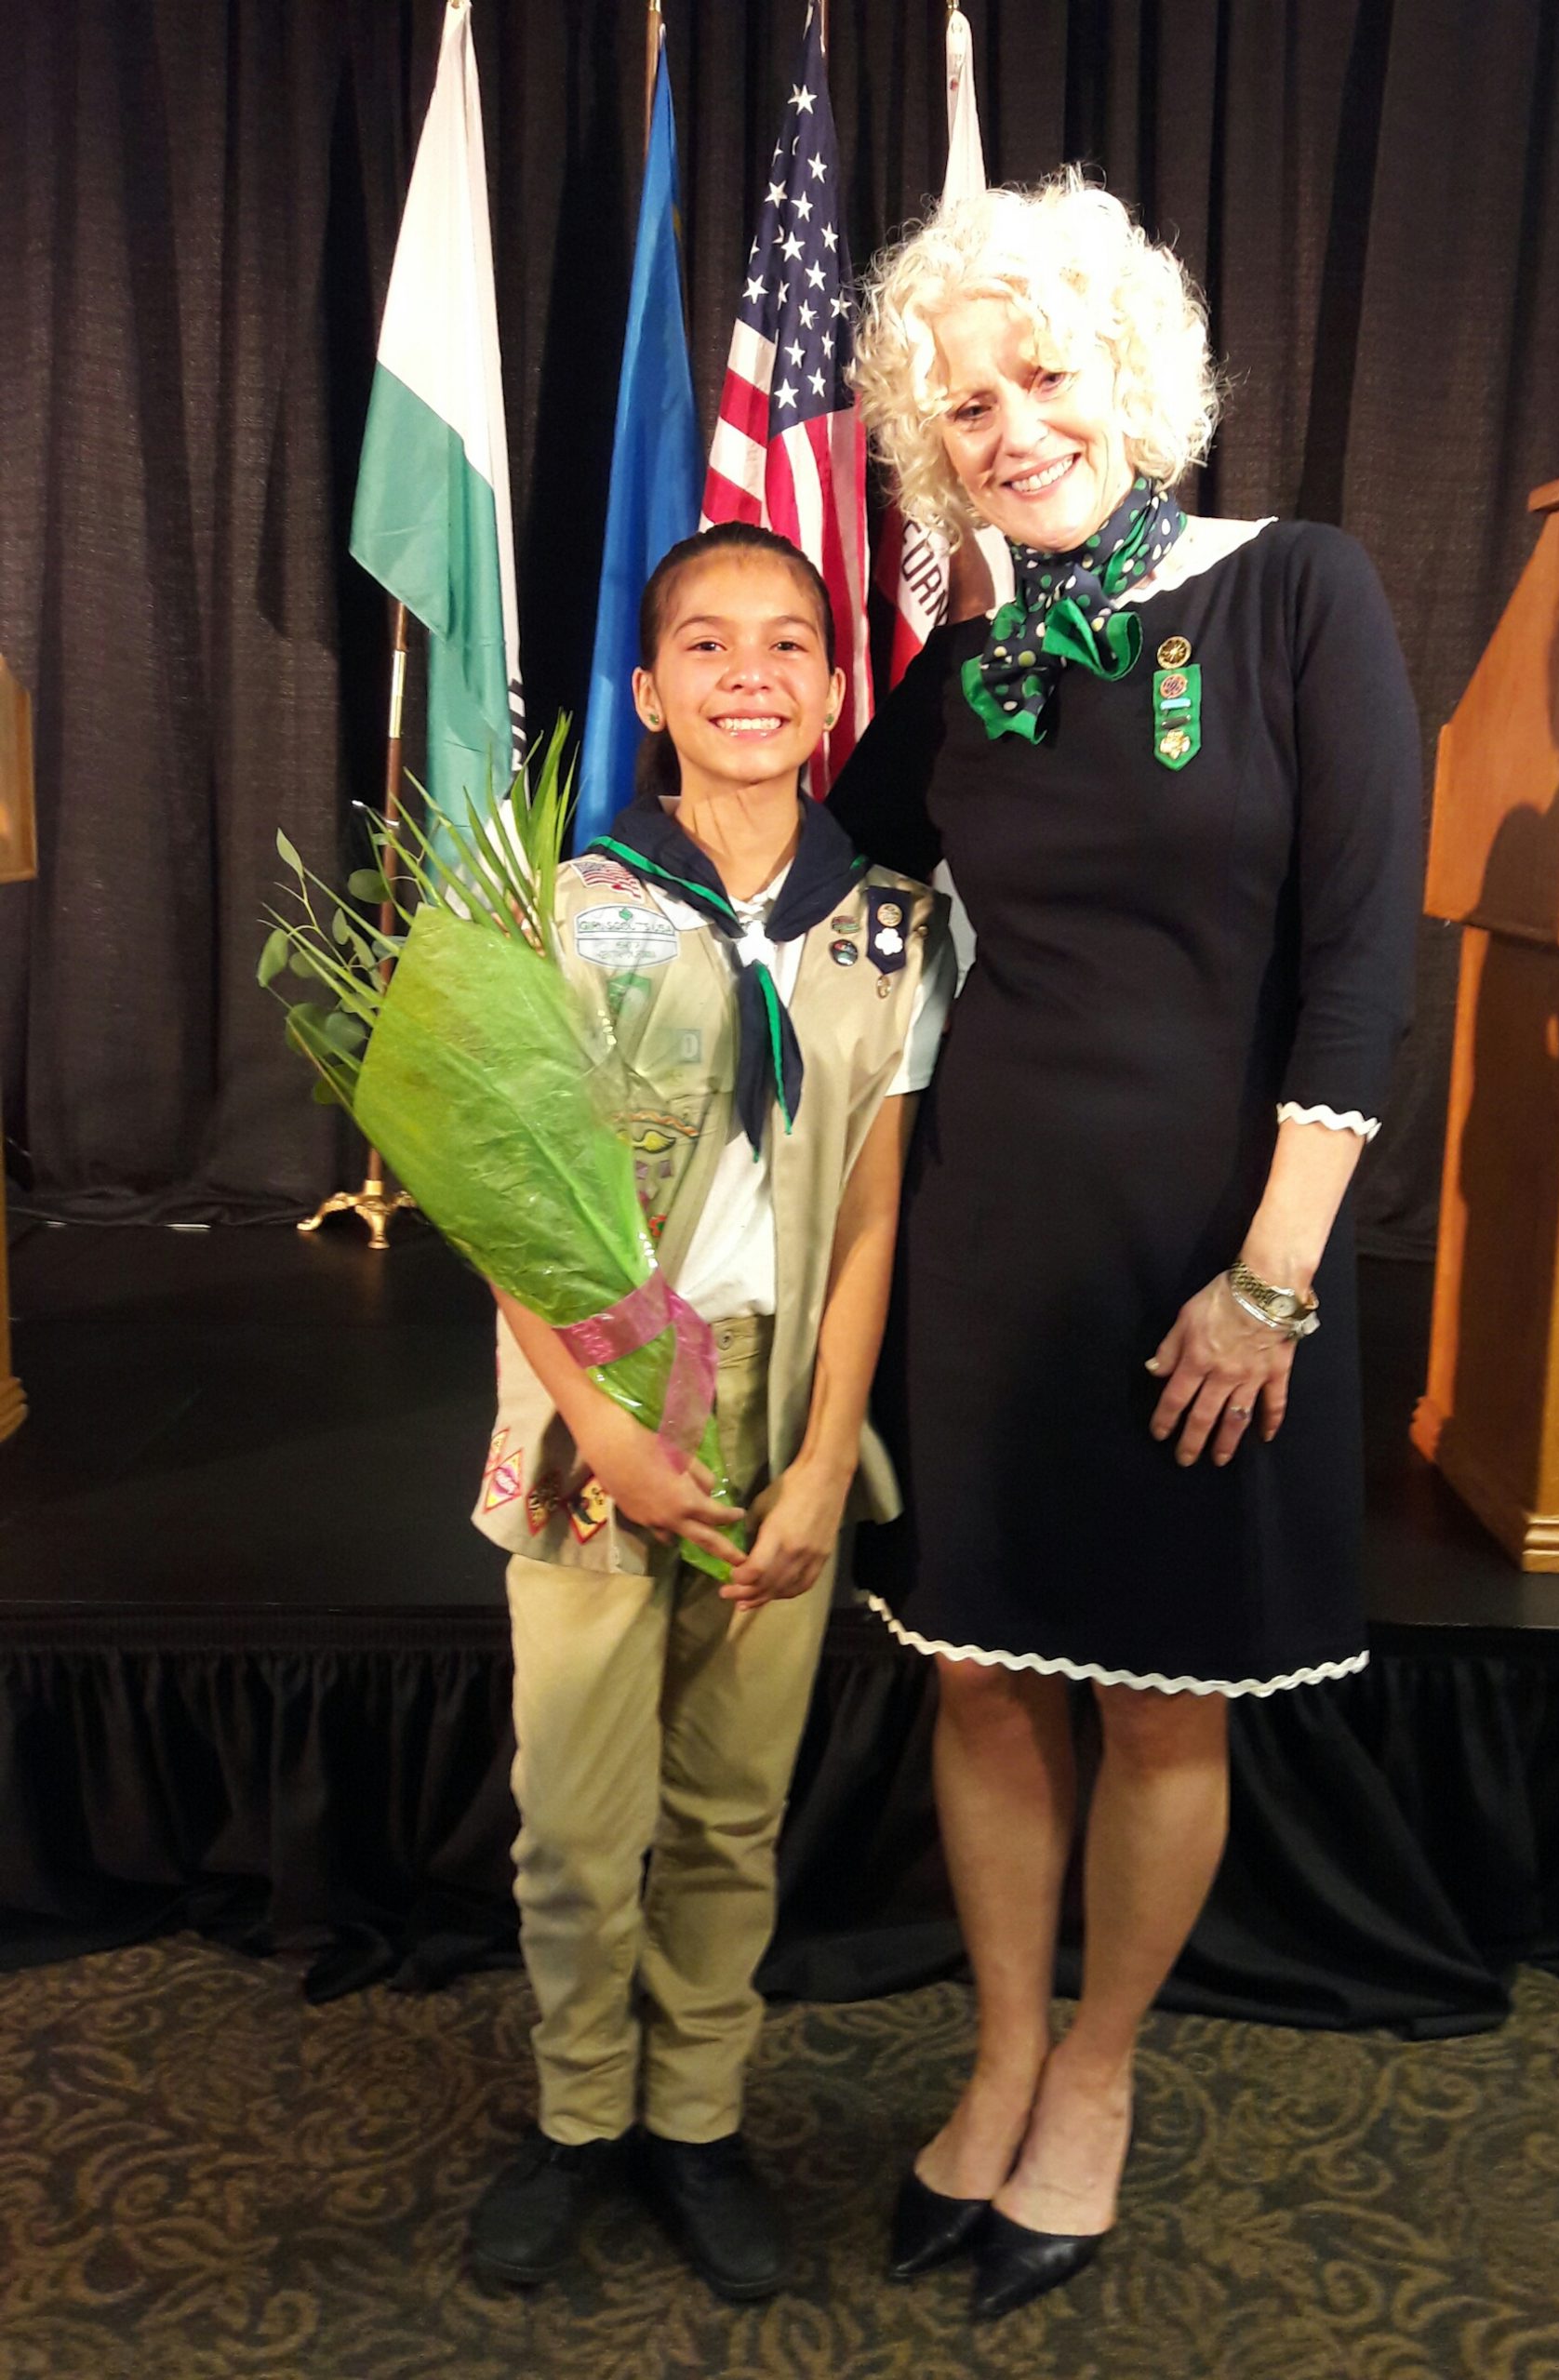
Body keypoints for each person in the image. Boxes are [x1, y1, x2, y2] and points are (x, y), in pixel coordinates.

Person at [832, 174, 1423, 2320]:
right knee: (984, 1673)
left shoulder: (1301, 594)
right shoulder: (973, 664)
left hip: (1216, 1249)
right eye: (963, 403)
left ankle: (1097, 2074)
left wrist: (1272, 1277)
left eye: (1041, 374)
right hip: (993, 1234)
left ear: (1131, 378)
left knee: (1167, 1704)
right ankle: (996, 2054)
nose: (1008, 425)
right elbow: (830, 854)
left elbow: (1363, 967)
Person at [465, 523, 953, 2303]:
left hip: (779, 1417)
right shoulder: (569, 913)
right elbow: (500, 1192)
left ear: (835, 691)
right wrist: (594, 1425)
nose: (750, 673)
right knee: (580, 1818)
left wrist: (828, 1455)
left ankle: (695, 2120)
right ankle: (578, 2120)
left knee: (734, 1809)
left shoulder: (897, 926)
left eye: (787, 645)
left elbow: (879, 1208)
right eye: (708, 647)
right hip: (604, 1402)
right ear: (654, 690)